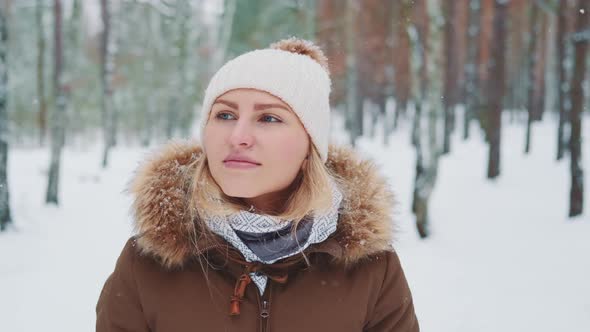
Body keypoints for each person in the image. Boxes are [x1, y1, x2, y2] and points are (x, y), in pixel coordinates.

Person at [96, 37, 419, 332]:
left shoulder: (370, 269)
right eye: (224, 115)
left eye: (269, 118)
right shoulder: (148, 263)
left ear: (311, 147)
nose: (238, 137)